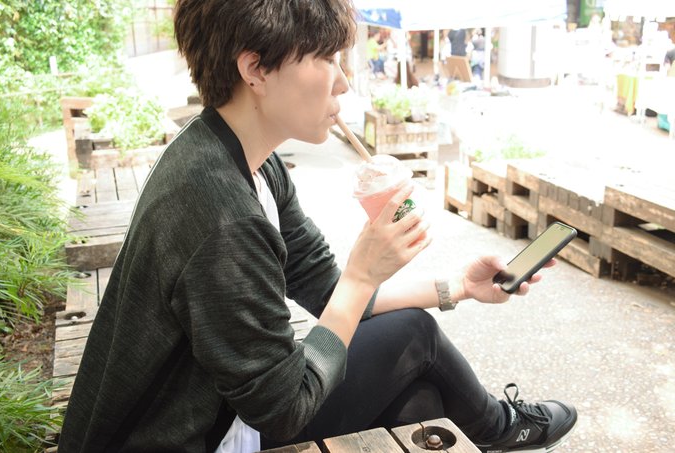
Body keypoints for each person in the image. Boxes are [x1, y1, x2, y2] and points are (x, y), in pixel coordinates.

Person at [57, 1, 578, 452]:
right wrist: (362, 274)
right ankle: (502, 428)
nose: (344, 81)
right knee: (415, 341)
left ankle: (498, 429)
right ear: (255, 69)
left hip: (227, 412)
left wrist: (459, 286)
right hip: (186, 437)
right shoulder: (223, 214)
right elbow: (285, 408)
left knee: (420, 404)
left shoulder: (244, 158)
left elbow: (325, 288)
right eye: (328, 58)